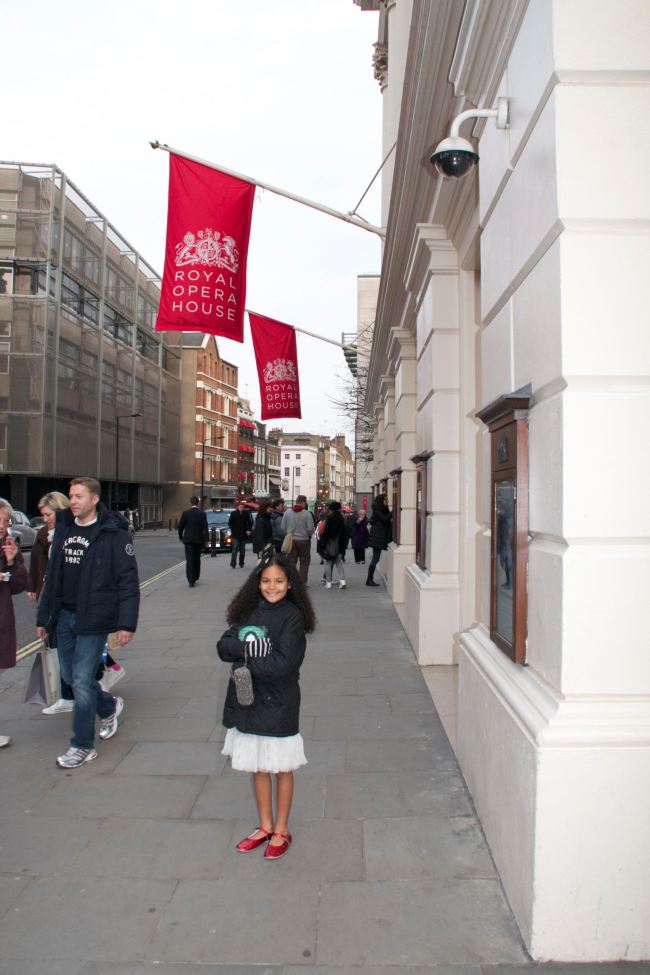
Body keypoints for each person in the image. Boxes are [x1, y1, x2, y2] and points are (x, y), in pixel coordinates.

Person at [216, 551, 316, 859]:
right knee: (258, 766)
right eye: (266, 581)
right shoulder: (248, 611)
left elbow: (284, 663)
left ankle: (282, 830)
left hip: (279, 701)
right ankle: (265, 826)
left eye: (279, 581)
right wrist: (254, 650)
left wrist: (243, 660)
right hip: (247, 699)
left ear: (290, 584)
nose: (272, 587)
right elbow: (224, 646)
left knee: (281, 768)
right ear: (257, 583)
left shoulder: (292, 617)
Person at [36, 476, 139, 768]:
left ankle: (82, 746)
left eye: (79, 496)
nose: (73, 501)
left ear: (94, 499)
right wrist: (44, 617)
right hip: (64, 615)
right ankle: (108, 706)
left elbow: (128, 581)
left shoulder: (113, 532)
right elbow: (53, 577)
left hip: (94, 616)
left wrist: (127, 623)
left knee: (81, 680)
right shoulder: (65, 528)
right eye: (71, 496)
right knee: (70, 678)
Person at [29, 491, 125, 716]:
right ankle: (88, 695)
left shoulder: (77, 533)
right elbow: (41, 565)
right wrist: (36, 592)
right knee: (71, 672)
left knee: (80, 672)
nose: (45, 519)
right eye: (43, 515)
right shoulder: (48, 534)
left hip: (85, 608)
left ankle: (102, 701)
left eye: (48, 514)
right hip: (59, 607)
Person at [0, 499, 30, 748]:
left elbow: (19, 585)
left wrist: (11, 562)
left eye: (5, 521)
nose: (2, 526)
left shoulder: (9, 546)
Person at [281, 494, 315, 585]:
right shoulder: (307, 514)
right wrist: (307, 535)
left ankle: (291, 581)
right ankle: (302, 582)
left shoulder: (287, 513)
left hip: (291, 540)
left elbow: (283, 527)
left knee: (291, 562)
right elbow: (310, 529)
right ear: (303, 502)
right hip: (304, 541)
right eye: (305, 502)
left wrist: (288, 534)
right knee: (304, 562)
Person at [178, 496, 208, 587]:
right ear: (198, 503)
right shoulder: (202, 514)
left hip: (188, 540)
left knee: (190, 560)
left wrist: (181, 536)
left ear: (190, 503)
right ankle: (195, 577)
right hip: (198, 540)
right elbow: (205, 528)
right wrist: (206, 540)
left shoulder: (185, 513)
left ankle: (190, 580)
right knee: (196, 559)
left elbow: (180, 526)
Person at [366, 493, 392, 587]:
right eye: (386, 500)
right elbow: (385, 519)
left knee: (375, 558)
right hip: (377, 537)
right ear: (382, 501)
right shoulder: (377, 510)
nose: (387, 501)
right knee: (375, 558)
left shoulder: (382, 509)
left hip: (378, 536)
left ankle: (369, 579)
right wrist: (394, 512)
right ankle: (369, 580)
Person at [320, 501, 347, 590]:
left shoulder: (330, 517)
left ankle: (328, 583)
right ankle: (342, 581)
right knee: (339, 563)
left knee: (328, 563)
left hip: (330, 543)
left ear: (332, 509)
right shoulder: (341, 518)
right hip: (340, 544)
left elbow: (326, 531)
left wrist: (323, 542)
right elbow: (344, 532)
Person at [228, 502, 253, 568]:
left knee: (242, 550)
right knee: (234, 549)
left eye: (242, 507)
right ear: (238, 507)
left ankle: (241, 563)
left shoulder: (246, 513)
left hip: (243, 534)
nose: (241, 508)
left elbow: (250, 523)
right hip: (235, 535)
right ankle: (233, 563)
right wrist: (233, 530)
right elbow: (230, 523)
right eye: (240, 507)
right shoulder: (233, 513)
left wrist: (249, 530)